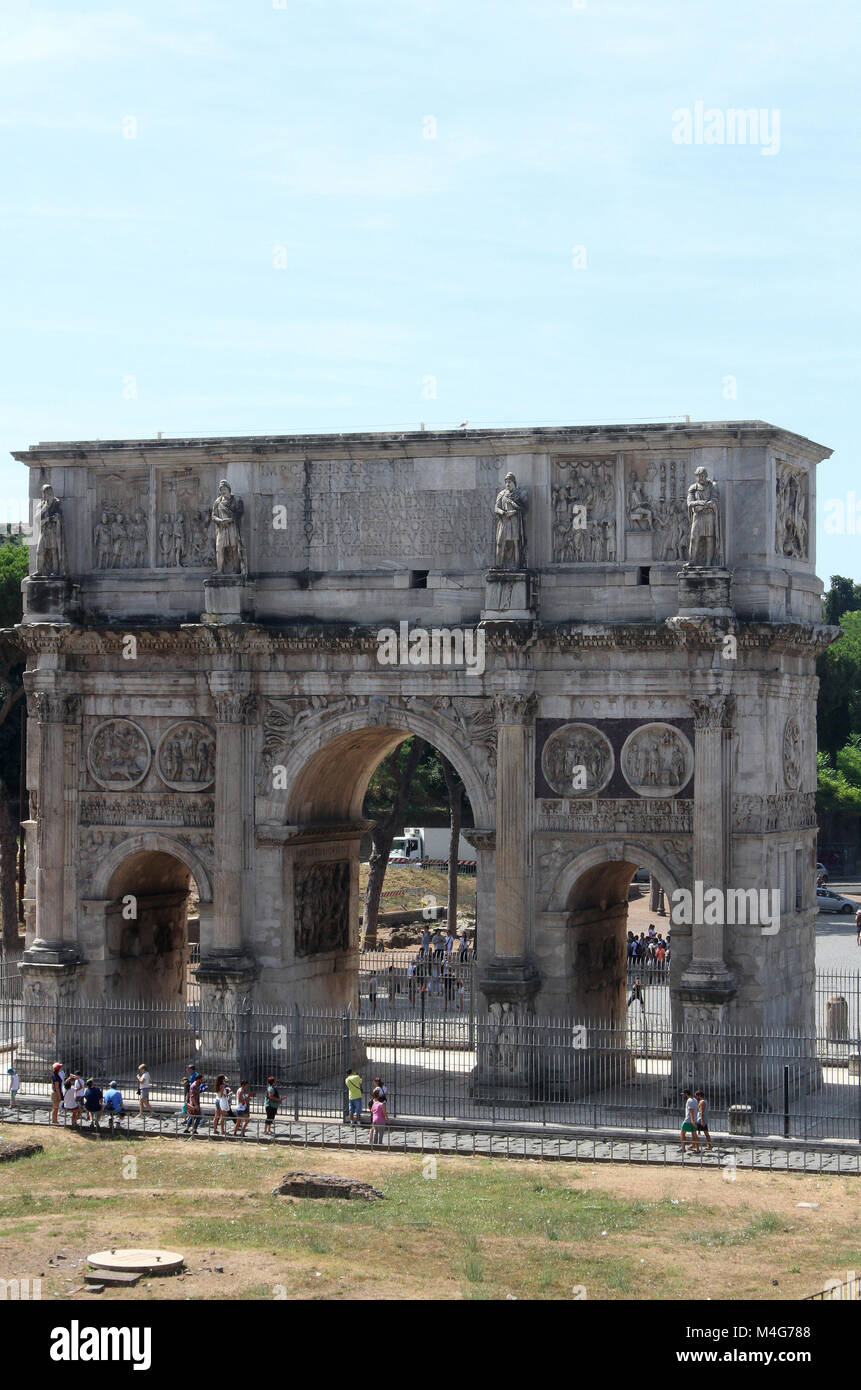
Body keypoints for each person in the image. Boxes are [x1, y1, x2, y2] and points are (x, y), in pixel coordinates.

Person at [679, 1090, 700, 1154]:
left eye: (683, 1094)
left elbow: (691, 1111)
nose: (683, 1095)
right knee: (694, 1134)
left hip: (688, 1120)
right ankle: (697, 1149)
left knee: (682, 1133)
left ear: (686, 1094)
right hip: (694, 1120)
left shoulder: (689, 1101)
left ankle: (683, 1148)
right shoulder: (695, 1100)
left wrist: (692, 1121)